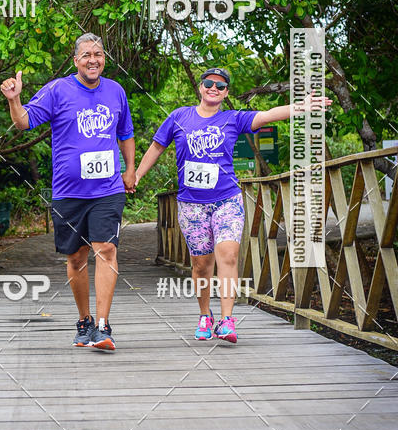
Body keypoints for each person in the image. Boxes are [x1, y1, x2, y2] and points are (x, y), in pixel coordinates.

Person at [134, 67, 331, 343]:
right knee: (201, 265)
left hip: (226, 199)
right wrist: (137, 174)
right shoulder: (179, 117)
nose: (214, 88)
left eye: (221, 86)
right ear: (200, 87)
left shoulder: (233, 119)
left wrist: (303, 107)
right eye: (209, 83)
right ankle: (205, 315)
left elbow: (268, 115)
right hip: (192, 205)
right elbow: (156, 146)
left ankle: (227, 320)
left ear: (226, 93)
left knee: (228, 255)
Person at [0, 33, 136, 352]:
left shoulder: (116, 91)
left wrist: (129, 169)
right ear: (76, 60)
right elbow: (23, 122)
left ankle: (103, 326)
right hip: (69, 192)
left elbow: (126, 134)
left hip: (107, 189)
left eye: (99, 54)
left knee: (106, 249)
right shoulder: (58, 90)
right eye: (86, 54)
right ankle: (85, 321)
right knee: (76, 257)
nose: (93, 59)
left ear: (105, 59)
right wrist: (13, 99)